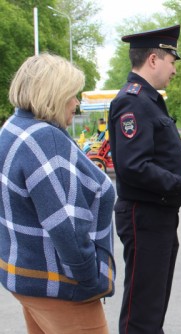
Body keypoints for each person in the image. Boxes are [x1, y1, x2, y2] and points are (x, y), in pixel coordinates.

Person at [0, 53, 116, 333]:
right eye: (72, 95)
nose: (76, 105)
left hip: (25, 277)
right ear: (53, 95)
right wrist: (91, 280)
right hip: (62, 287)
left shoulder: (13, 128)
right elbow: (66, 228)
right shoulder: (45, 139)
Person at [108, 24, 181, 334]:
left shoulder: (147, 100)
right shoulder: (133, 101)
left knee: (152, 307)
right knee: (142, 313)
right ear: (154, 59)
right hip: (145, 216)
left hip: (157, 216)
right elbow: (134, 167)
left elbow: (148, 154)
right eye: (172, 61)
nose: (174, 70)